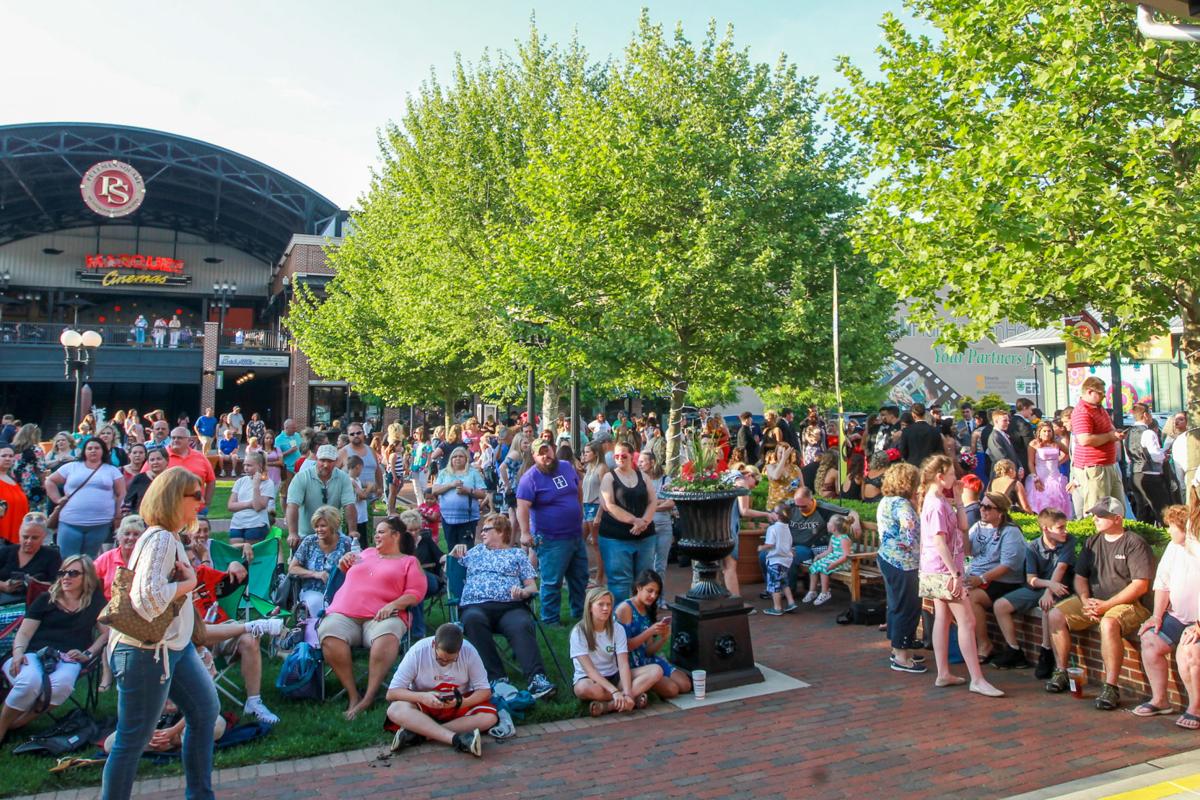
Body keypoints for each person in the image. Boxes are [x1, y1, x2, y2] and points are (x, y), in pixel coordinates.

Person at [101, 467, 219, 800]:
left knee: (205, 710)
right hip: (145, 652)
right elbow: (147, 597)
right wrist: (188, 584)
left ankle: (200, 795)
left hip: (172, 648)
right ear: (173, 498)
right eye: (194, 495)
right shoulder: (162, 538)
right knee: (133, 738)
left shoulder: (167, 536)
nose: (201, 501)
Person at [1045, 497, 1153, 709]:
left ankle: (1111, 687)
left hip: (1129, 604)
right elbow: (1080, 577)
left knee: (1108, 623)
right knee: (1055, 615)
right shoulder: (1092, 542)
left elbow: (1140, 585)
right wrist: (1085, 600)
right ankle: (1061, 671)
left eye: (1101, 515)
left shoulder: (1134, 543)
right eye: (1094, 514)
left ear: (1117, 519)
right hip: (1095, 600)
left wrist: (1107, 605)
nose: (1095, 519)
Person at [319, 515, 427, 719]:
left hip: (381, 616)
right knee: (328, 633)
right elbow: (345, 572)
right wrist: (344, 563)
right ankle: (353, 695)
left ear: (396, 536)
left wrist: (393, 605)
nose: (376, 535)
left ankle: (369, 696)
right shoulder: (366, 553)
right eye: (376, 532)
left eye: (381, 532)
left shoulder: (408, 562)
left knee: (387, 635)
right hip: (344, 613)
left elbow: (416, 592)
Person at [917, 454, 1004, 697]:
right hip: (944, 570)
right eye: (952, 474)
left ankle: (943, 672)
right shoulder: (934, 503)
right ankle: (976, 678)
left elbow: (963, 526)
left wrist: (957, 497)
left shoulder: (937, 500)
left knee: (943, 618)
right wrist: (955, 573)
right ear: (940, 476)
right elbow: (939, 541)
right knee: (967, 621)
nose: (956, 478)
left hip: (937, 568)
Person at [0, 554, 108, 743]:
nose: (66, 577)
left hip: (68, 658)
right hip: (33, 653)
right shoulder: (45, 599)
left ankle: (17, 724)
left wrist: (88, 653)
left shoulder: (94, 603)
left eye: (73, 573)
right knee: (29, 682)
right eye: (63, 572)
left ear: (87, 577)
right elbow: (24, 633)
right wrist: (17, 654)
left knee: (61, 685)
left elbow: (108, 633)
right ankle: (2, 728)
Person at [449, 513, 556, 699]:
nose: (481, 533)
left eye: (486, 529)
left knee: (522, 624)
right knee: (473, 620)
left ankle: (537, 679)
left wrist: (523, 593)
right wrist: (453, 552)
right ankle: (496, 678)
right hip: (476, 606)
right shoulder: (475, 552)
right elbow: (447, 564)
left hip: (510, 607)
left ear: (500, 531)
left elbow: (532, 586)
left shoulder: (516, 554)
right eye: (481, 530)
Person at [385, 623, 497, 758]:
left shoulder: (469, 652)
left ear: (460, 650)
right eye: (440, 659)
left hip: (458, 701)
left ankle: (420, 734)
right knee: (394, 710)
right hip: (425, 702)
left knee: (489, 718)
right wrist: (422, 697)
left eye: (451, 660)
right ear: (434, 644)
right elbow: (391, 693)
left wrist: (460, 702)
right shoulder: (418, 652)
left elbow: (484, 691)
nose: (444, 663)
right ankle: (456, 739)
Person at [993, 508, 1076, 680]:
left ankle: (1046, 651)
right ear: (1046, 529)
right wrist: (1048, 585)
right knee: (1000, 605)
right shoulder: (1032, 547)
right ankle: (1014, 650)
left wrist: (1049, 592)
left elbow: (1060, 568)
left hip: (1060, 589)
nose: (1065, 531)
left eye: (1065, 526)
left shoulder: (1068, 542)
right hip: (1038, 588)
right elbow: (1031, 579)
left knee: (1047, 607)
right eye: (1060, 528)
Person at [1134, 505, 1199, 718]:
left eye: (1171, 526)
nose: (1168, 531)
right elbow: (1162, 583)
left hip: (1197, 623)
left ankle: (1195, 708)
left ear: (1185, 527)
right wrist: (1156, 616)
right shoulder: (1173, 547)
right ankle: (1160, 700)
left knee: (1188, 651)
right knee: (1150, 640)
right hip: (1179, 617)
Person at [516, 438, 588, 626]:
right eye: (540, 453)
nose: (545, 456)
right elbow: (522, 507)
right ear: (534, 456)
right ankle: (550, 619)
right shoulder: (530, 478)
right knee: (552, 581)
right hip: (550, 539)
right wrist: (524, 532)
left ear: (553, 451)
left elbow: (578, 490)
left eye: (547, 451)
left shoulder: (565, 466)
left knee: (580, 578)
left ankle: (580, 614)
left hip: (575, 535)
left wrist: (580, 514)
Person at [570, 587, 662, 716]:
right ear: (590, 607)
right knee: (582, 689)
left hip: (614, 675)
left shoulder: (617, 629)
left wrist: (628, 692)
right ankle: (627, 699)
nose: (606, 608)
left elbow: (623, 664)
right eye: (600, 604)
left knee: (656, 670)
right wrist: (614, 691)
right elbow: (590, 671)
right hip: (591, 679)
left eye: (608, 604)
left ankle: (610, 705)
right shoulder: (579, 632)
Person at [962, 493, 1028, 667]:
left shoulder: (1010, 532)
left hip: (1004, 581)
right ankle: (965, 641)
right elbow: (967, 551)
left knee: (971, 597)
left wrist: (981, 579)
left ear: (1000, 512)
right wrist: (962, 529)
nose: (982, 510)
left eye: (987, 507)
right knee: (955, 592)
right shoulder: (978, 527)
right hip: (978, 576)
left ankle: (985, 644)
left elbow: (1008, 565)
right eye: (981, 506)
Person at [875, 462, 925, 673]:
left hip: (888, 558)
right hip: (904, 562)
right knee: (908, 607)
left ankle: (898, 649)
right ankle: (903, 656)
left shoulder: (886, 501)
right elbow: (910, 534)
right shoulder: (902, 505)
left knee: (896, 605)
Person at [287, 506, 358, 645]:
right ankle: (319, 641)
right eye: (316, 526)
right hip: (312, 590)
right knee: (316, 603)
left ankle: (337, 639)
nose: (319, 529)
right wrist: (315, 574)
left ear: (333, 526)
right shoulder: (309, 542)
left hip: (338, 591)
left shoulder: (346, 543)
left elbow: (356, 569)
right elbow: (292, 568)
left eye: (323, 526)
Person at [597, 441, 658, 604]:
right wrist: (634, 521)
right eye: (616, 456)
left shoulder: (643, 477)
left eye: (623, 455)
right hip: (616, 538)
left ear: (632, 455)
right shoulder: (609, 477)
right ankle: (620, 620)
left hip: (645, 537)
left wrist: (644, 521)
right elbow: (609, 505)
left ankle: (642, 618)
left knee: (644, 579)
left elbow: (653, 501)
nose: (619, 458)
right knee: (620, 583)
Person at [615, 569, 692, 697]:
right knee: (672, 690)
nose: (653, 596)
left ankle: (645, 685)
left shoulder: (647, 609)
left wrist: (663, 638)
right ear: (639, 587)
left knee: (685, 685)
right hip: (630, 664)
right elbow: (624, 647)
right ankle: (640, 687)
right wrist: (650, 631)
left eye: (656, 593)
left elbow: (648, 651)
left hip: (646, 659)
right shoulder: (625, 609)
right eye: (650, 591)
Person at [44, 438, 125, 557]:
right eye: (90, 448)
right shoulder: (72, 467)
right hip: (70, 521)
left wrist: (117, 512)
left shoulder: (112, 470)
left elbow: (121, 493)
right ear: (84, 451)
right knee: (67, 560)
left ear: (103, 451)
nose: (93, 451)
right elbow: (50, 481)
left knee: (90, 562)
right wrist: (57, 499)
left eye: (97, 448)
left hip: (100, 523)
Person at [285, 444, 357, 550]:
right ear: (316, 459)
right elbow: (292, 505)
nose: (326, 465)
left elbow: (349, 504)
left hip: (333, 535)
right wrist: (293, 533)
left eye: (330, 461)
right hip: (305, 535)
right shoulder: (301, 477)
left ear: (336, 461)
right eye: (322, 460)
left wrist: (352, 531)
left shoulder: (343, 478)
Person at [1070, 376, 1125, 513]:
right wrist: (1109, 436)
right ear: (1089, 391)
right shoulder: (1082, 411)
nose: (1103, 396)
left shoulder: (1099, 409)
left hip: (1108, 464)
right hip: (1094, 467)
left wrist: (1115, 434)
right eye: (1100, 393)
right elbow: (1084, 440)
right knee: (1099, 509)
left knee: (1117, 508)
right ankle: (1096, 534)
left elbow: (1110, 429)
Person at [431, 447, 487, 551]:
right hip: (447, 518)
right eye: (455, 456)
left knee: (467, 549)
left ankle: (466, 567)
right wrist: (451, 485)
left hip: (468, 518)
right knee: (452, 548)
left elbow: (483, 494)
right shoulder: (444, 473)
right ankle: (453, 567)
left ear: (466, 459)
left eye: (461, 456)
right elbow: (434, 490)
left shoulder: (473, 473)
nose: (457, 458)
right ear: (451, 459)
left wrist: (468, 490)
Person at [0, 514, 63, 604]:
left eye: (35, 538)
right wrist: (3, 586)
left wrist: (35, 584)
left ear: (43, 537)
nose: (29, 541)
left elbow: (58, 584)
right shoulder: (6, 551)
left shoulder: (52, 555)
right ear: (19, 535)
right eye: (25, 537)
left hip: (36, 602)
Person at [1126, 403, 1170, 525]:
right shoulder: (1148, 433)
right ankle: (1165, 536)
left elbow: (1128, 455)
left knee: (1142, 509)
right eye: (1150, 413)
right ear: (1145, 415)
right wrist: (1163, 455)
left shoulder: (1129, 432)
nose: (1150, 416)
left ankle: (1145, 535)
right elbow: (1155, 455)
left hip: (1135, 474)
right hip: (1150, 474)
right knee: (1161, 507)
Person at [802, 514, 854, 606]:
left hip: (845, 562)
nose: (827, 523)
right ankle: (812, 591)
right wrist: (819, 556)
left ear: (834, 528)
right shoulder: (833, 537)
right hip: (834, 558)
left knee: (824, 568)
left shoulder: (844, 539)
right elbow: (829, 551)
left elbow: (846, 556)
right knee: (814, 565)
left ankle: (825, 593)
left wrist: (834, 564)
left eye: (829, 522)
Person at [226, 451, 275, 546]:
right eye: (245, 465)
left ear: (259, 465)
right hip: (237, 523)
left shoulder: (268, 483)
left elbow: (257, 507)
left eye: (249, 465)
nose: (246, 468)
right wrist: (249, 504)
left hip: (256, 524)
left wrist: (256, 486)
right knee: (236, 553)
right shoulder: (240, 481)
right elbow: (230, 506)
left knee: (251, 556)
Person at [1025, 421, 1072, 518]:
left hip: (1055, 475)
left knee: (1058, 501)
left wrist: (1059, 462)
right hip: (1041, 476)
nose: (1047, 434)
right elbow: (1030, 462)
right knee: (1042, 502)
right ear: (1039, 432)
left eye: (1049, 431)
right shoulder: (1033, 444)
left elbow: (1069, 453)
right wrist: (1035, 478)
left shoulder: (1056, 443)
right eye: (1044, 431)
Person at [338, 422, 382, 521]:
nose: (356, 436)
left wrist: (380, 487)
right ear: (348, 436)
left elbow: (377, 469)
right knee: (350, 532)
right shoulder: (343, 452)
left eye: (358, 433)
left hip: (370, 500)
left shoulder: (371, 450)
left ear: (363, 433)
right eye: (352, 434)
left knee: (367, 532)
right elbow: (335, 474)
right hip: (351, 503)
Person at [759, 504, 798, 616]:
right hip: (785, 561)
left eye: (774, 512)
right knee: (784, 583)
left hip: (775, 561)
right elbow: (789, 544)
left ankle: (777, 608)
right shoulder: (787, 528)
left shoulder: (772, 528)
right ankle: (791, 603)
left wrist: (762, 547)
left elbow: (770, 544)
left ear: (778, 516)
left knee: (774, 585)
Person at [163, 428, 217, 508]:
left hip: (196, 509)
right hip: (169, 509)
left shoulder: (200, 457)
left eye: (179, 438)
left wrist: (206, 503)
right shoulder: (160, 456)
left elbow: (211, 480)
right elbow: (145, 477)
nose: (175, 440)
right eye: (173, 437)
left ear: (188, 440)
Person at [579, 441, 607, 588]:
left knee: (596, 544)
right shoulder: (589, 467)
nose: (584, 454)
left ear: (596, 453)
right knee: (579, 540)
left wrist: (600, 514)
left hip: (595, 506)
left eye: (587, 452)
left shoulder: (602, 468)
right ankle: (582, 574)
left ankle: (599, 579)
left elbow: (605, 492)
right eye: (584, 452)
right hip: (586, 506)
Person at [11, 424, 47, 514]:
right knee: (33, 512)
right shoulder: (36, 449)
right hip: (30, 483)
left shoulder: (12, 448)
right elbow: (41, 469)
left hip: (13, 481)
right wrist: (43, 484)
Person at [0, 443, 30, 544]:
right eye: (3, 456)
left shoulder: (12, 479)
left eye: (11, 456)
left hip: (17, 536)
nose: (8, 459)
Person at [125, 446, 168, 515]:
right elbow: (128, 502)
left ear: (167, 461)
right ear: (148, 463)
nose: (155, 462)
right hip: (142, 521)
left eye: (159, 459)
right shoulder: (139, 478)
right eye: (152, 460)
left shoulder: (173, 478)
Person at [986, 408, 1024, 480]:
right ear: (996, 421)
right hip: (1002, 476)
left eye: (1008, 420)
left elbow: (1013, 454)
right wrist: (1014, 470)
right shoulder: (995, 436)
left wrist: (1020, 467)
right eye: (1005, 420)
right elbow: (1001, 458)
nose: (1008, 422)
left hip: (1010, 473)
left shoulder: (1003, 434)